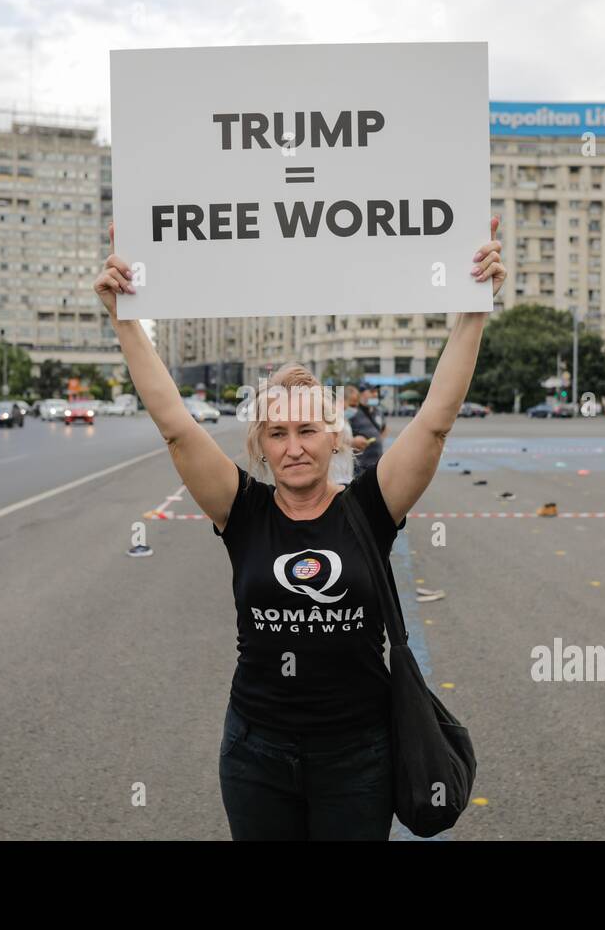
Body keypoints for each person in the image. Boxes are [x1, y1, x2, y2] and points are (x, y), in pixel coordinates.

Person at [94, 215, 505, 841]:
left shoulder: (370, 507)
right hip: (256, 754)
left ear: (334, 437)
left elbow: (435, 421)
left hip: (358, 756)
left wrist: (472, 309)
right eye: (278, 433)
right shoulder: (243, 510)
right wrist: (126, 318)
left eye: (308, 430)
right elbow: (175, 423)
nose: (294, 447)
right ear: (260, 444)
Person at [343, 384, 385, 477]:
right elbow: (332, 441)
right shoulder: (349, 414)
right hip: (358, 468)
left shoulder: (377, 411)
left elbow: (384, 429)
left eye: (376, 392)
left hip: (375, 465)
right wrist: (352, 442)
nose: (375, 395)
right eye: (371, 392)